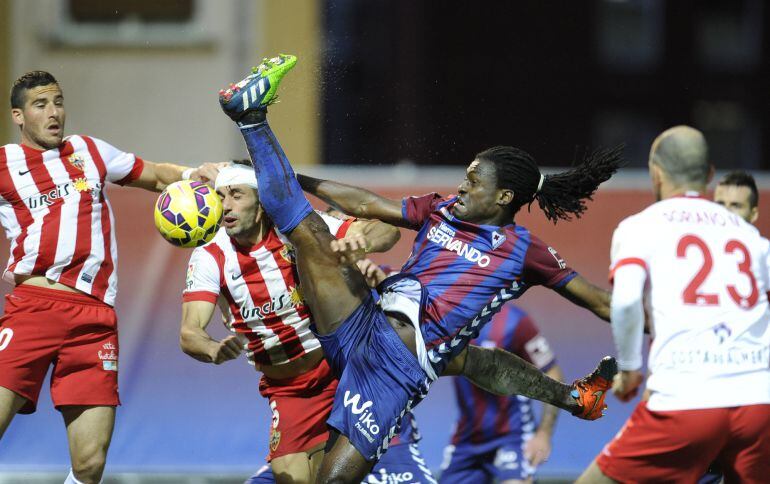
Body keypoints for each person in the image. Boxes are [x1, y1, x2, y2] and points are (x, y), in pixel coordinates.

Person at [218, 54, 620, 483]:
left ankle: (576, 398)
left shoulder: (525, 251)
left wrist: (670, 319)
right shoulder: (442, 209)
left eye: (473, 181)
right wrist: (289, 178)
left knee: (336, 477)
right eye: (465, 177)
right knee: (305, 231)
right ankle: (252, 117)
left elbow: (599, 301)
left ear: (503, 198)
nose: (462, 186)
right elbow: (367, 204)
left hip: (393, 370)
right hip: (363, 323)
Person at [0, 71, 220, 484]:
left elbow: (154, 175)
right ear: (18, 115)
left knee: (90, 463)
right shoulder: (3, 164)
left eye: (59, 102)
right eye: (40, 105)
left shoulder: (89, 151)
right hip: (34, 309)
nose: (54, 113)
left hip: (95, 321)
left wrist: (197, 175)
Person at [180, 162, 436, 483]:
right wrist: (212, 349)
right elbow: (190, 332)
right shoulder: (210, 255)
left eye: (236, 195)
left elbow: (387, 230)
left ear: (261, 206)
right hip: (287, 392)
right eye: (221, 196)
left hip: (340, 373)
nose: (226, 205)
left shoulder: (296, 231)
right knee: (293, 478)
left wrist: (361, 239)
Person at [577, 126, 770, 483]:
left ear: (655, 173)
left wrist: (632, 367)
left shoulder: (640, 227)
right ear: (710, 175)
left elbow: (626, 301)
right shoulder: (751, 237)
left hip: (687, 401)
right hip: (758, 404)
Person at [439, 305, 563, 484]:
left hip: (512, 434)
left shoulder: (516, 322)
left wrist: (544, 433)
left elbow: (552, 374)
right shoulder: (448, 318)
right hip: (468, 437)